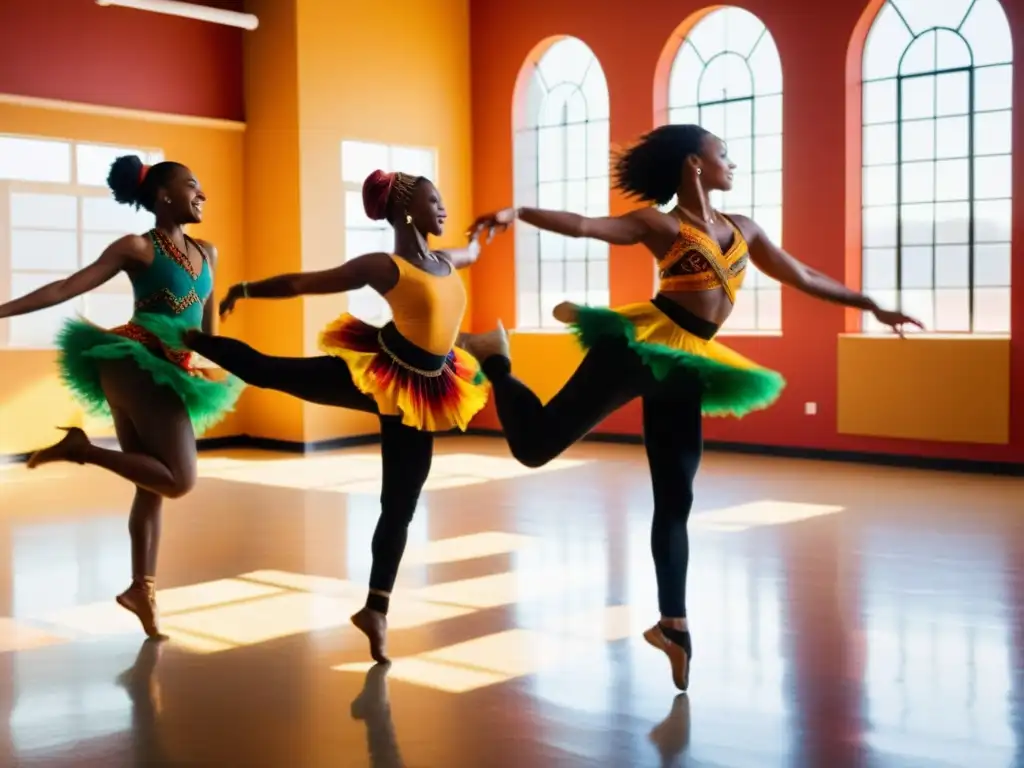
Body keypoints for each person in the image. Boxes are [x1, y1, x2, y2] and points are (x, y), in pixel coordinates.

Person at [460, 124, 923, 692]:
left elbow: (802, 275)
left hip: (688, 364)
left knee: (676, 497)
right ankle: (496, 358)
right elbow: (586, 227)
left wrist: (870, 304)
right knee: (533, 448)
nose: (733, 162)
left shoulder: (744, 230)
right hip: (640, 346)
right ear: (694, 165)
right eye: (722, 153)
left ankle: (672, 625)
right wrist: (520, 212)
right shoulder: (661, 224)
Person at [145, 169, 488, 662]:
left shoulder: (447, 259)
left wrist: (490, 227)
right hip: (379, 370)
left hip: (427, 386)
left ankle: (375, 610)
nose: (444, 210)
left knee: (401, 505)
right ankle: (197, 340)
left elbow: (473, 252)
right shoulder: (384, 265)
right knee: (270, 372)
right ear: (407, 210)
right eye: (436, 202)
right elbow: (305, 282)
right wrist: (247, 288)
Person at [0, 156, 244, 638]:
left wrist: (215, 369)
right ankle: (81, 450)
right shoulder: (137, 247)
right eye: (192, 185)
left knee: (151, 488)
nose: (203, 194)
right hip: (134, 361)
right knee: (179, 481)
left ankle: (141, 589)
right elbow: (68, 287)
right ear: (163, 196)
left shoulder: (208, 252)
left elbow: (207, 330)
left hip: (173, 369)